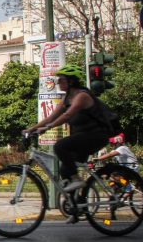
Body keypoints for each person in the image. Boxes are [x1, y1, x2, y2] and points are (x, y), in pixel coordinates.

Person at [24, 64, 110, 195]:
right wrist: (31, 129)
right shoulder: (66, 98)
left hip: (96, 136)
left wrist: (47, 128)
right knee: (65, 170)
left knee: (60, 146)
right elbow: (50, 117)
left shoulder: (82, 96)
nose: (58, 82)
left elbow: (67, 115)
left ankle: (76, 179)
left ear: (71, 81)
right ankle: (75, 207)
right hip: (82, 138)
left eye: (61, 80)